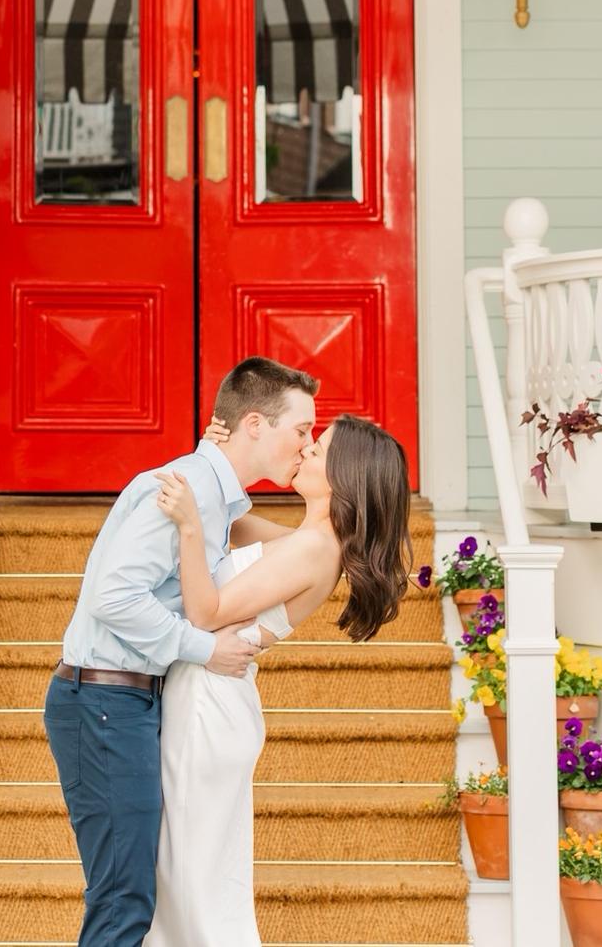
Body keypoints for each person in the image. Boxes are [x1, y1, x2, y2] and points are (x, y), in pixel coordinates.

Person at [43, 357, 321, 947]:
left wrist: (342, 535)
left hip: (133, 701)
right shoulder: (185, 489)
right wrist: (204, 648)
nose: (308, 444)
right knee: (123, 899)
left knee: (135, 894)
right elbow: (112, 596)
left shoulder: (216, 499)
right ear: (253, 423)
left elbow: (299, 548)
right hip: (103, 698)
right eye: (302, 430)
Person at [143, 413, 413, 947]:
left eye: (320, 447)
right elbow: (234, 523)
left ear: (346, 473)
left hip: (208, 707)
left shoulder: (316, 549)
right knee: (191, 876)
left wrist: (190, 527)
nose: (307, 448)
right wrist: (213, 462)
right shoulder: (307, 537)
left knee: (192, 882)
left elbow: (206, 612)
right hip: (207, 696)